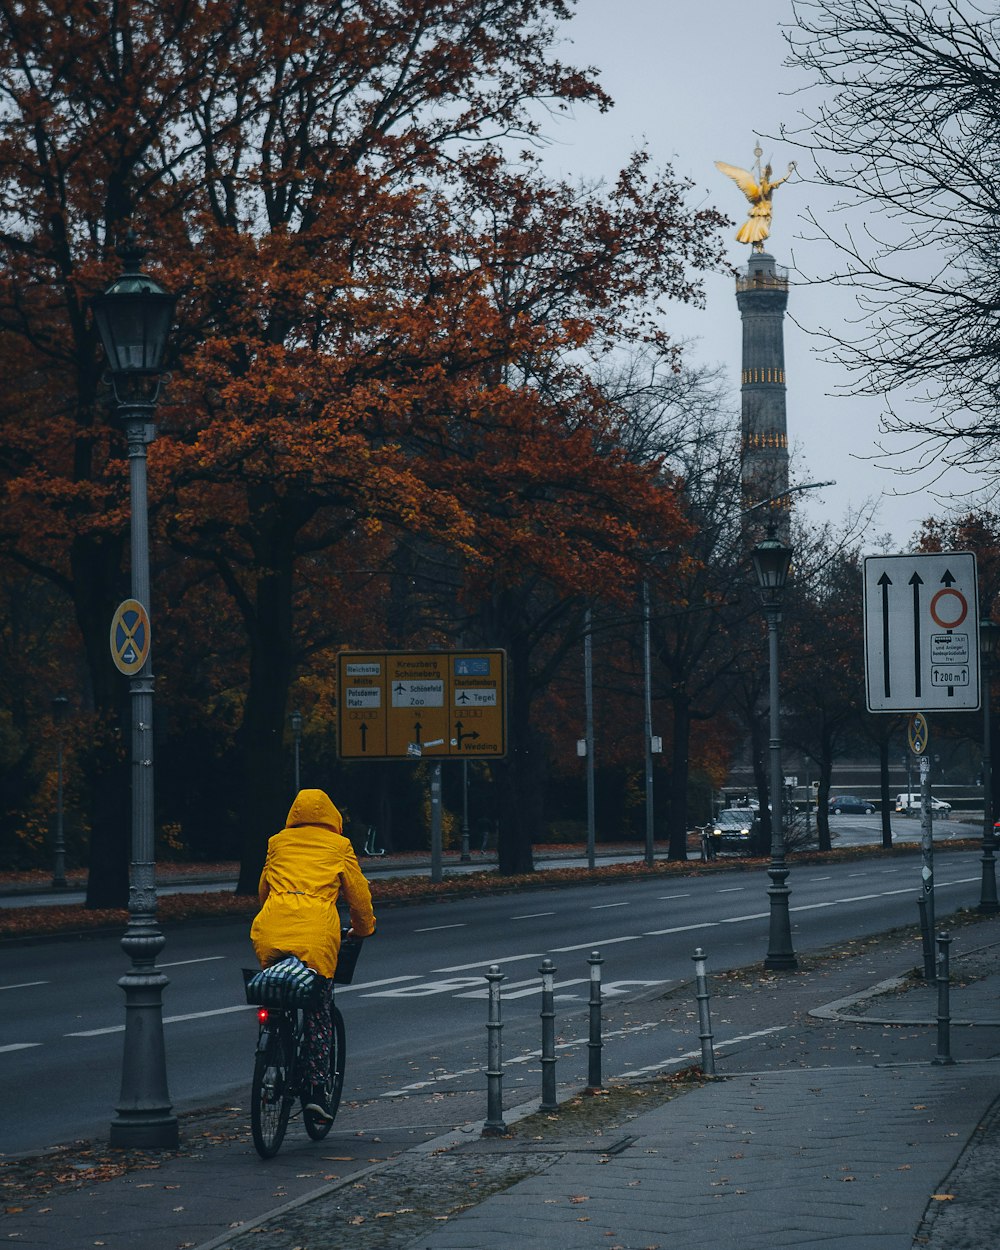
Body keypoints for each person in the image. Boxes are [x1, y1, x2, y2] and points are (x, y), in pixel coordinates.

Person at [250, 788, 376, 1120]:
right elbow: (358, 896)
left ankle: (272, 1062)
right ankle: (317, 1091)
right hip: (316, 935)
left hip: (271, 928)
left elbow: (263, 889)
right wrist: (363, 929)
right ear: (330, 816)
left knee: (276, 990)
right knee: (318, 1009)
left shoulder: (277, 842)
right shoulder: (340, 846)